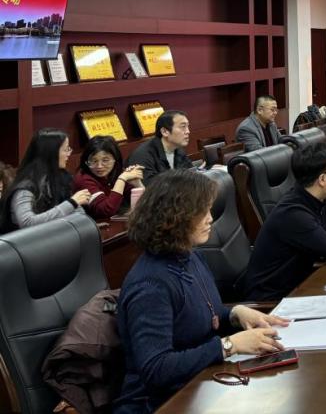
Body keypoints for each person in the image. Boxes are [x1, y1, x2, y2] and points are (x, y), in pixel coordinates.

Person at [115, 170, 287, 413]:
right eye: (202, 212)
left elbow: (203, 317)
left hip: (202, 384)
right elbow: (156, 368)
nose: (210, 219)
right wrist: (229, 346)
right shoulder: (150, 285)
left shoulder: (191, 257)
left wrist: (235, 314)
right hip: (159, 403)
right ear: (174, 217)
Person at [244, 142, 326, 302]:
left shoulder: (315, 199)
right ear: (322, 179)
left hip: (302, 285)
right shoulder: (293, 214)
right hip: (273, 301)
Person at [0, 128, 89, 231]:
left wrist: (75, 207)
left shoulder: (61, 177)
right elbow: (27, 223)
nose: (69, 153)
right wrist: (72, 203)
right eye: (65, 150)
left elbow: (78, 212)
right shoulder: (25, 188)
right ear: (51, 153)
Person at [72, 135, 145, 220]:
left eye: (105, 160)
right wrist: (121, 180)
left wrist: (137, 184)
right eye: (94, 161)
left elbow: (145, 205)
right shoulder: (83, 179)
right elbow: (106, 210)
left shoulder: (116, 172)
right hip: (90, 225)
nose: (99, 166)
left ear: (115, 159)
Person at [129, 110, 191, 183]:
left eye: (188, 126)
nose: (188, 131)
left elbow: (190, 174)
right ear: (164, 131)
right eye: (183, 127)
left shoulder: (178, 149)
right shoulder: (143, 156)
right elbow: (150, 187)